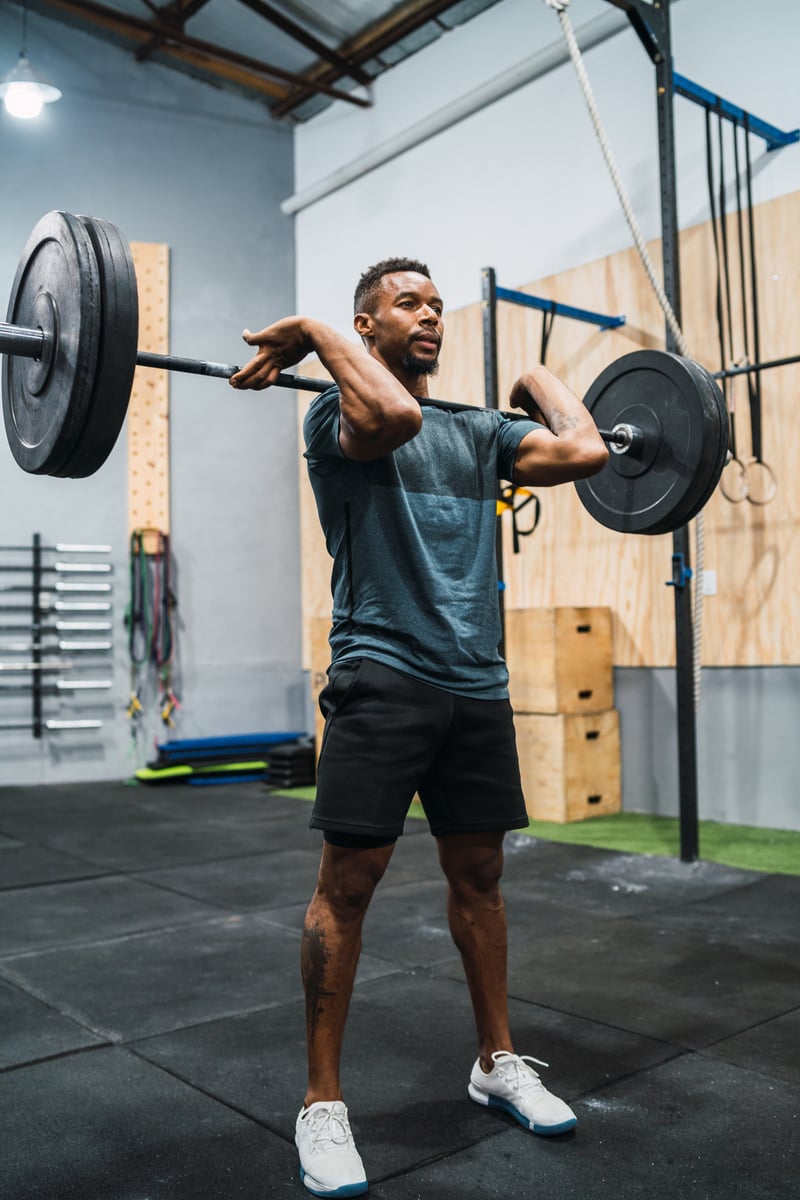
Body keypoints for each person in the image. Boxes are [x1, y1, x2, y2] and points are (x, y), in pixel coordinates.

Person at [230, 258, 608, 1197]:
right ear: (369, 324)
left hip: (475, 682)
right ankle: (322, 1102)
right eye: (410, 303)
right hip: (380, 675)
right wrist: (319, 336)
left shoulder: (481, 432)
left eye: (439, 304)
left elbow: (589, 453)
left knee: (480, 878)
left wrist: (532, 383)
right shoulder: (337, 416)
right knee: (347, 887)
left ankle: (496, 1060)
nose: (432, 314)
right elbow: (391, 418)